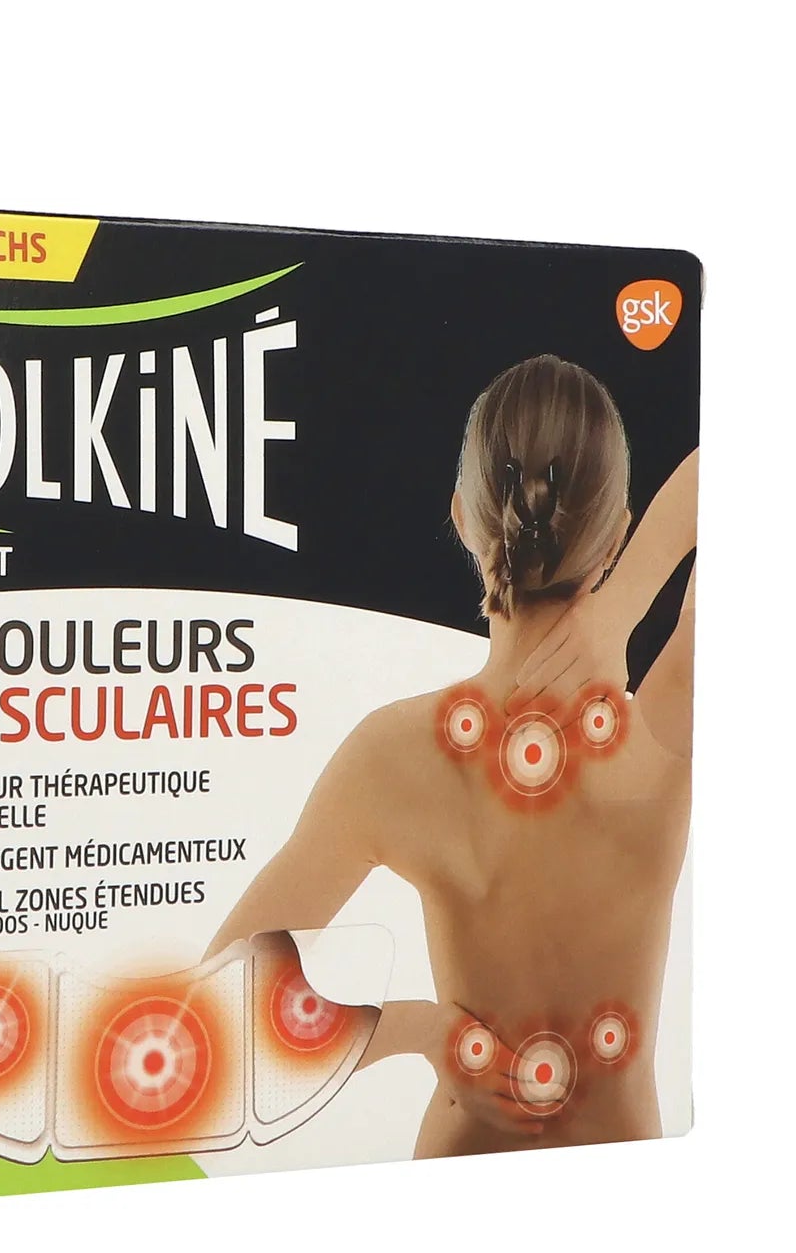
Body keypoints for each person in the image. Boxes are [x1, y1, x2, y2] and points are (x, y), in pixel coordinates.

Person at [206, 354, 697, 1155]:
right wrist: (627, 601)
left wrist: (413, 1029)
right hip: (625, 1184)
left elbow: (217, 1009)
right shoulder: (666, 729)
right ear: (615, 532)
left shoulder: (392, 758)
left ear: (464, 519)